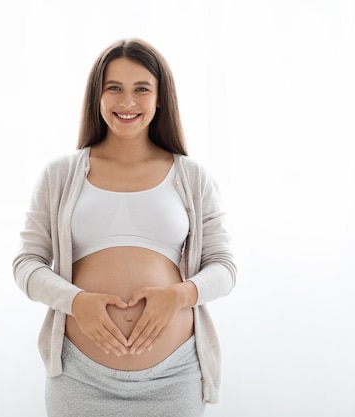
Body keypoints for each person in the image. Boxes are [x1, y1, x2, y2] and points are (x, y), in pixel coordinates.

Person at [13, 38, 236, 417]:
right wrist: (76, 302)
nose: (127, 101)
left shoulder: (191, 176)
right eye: (114, 88)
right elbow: (27, 264)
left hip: (174, 375)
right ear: (96, 97)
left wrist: (180, 296)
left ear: (159, 98)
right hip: (80, 374)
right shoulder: (61, 174)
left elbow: (224, 267)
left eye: (141, 89)